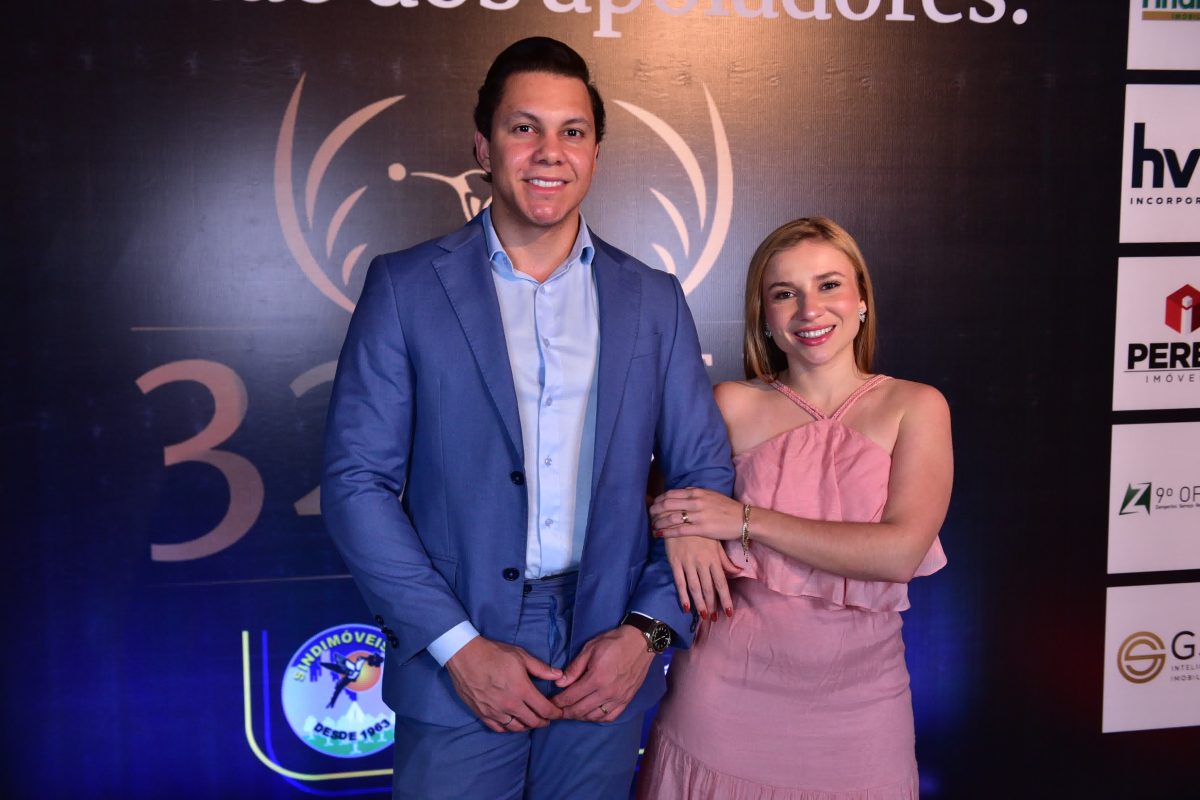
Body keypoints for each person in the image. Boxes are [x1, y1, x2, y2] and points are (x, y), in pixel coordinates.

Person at [320, 37, 733, 800]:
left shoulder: (653, 299)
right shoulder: (405, 288)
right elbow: (356, 484)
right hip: (458, 651)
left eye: (573, 131)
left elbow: (702, 473)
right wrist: (457, 647)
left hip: (606, 652)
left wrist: (646, 632)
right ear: (484, 146)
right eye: (524, 127)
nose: (550, 152)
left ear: (596, 152)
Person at [637, 217, 952, 799]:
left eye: (829, 285)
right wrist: (682, 528)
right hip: (721, 706)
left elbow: (899, 553)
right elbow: (660, 508)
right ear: (764, 316)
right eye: (785, 293)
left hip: (862, 716)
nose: (810, 309)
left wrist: (746, 521)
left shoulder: (916, 406)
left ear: (861, 298)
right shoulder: (728, 404)